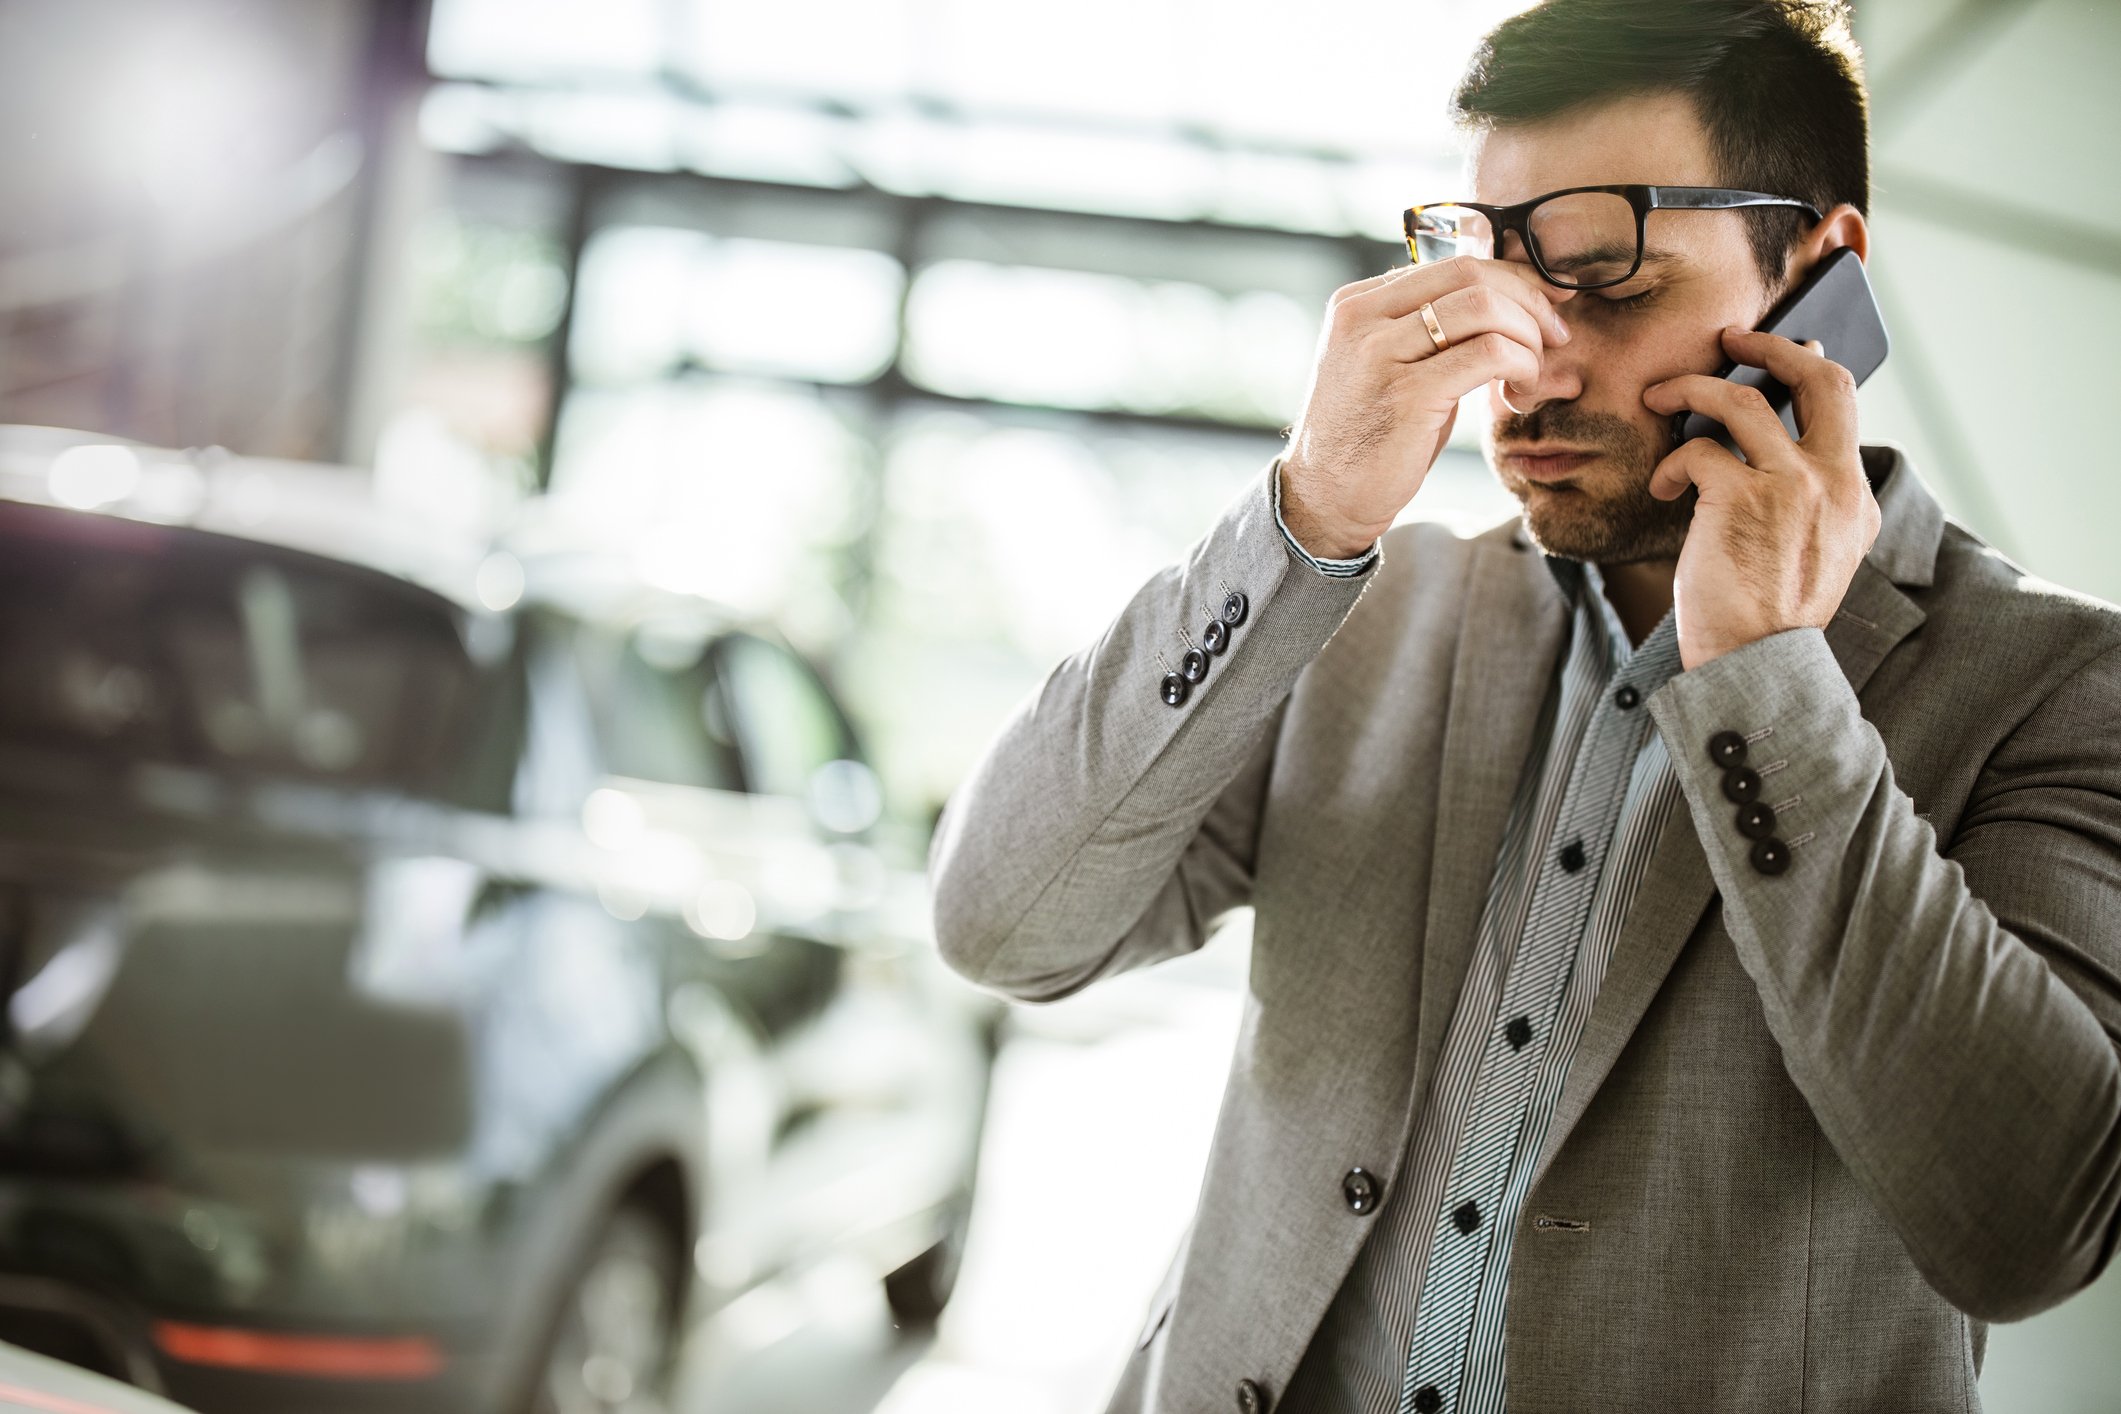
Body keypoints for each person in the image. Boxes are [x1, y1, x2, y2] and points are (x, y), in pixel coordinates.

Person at [925, 1, 2121, 1410]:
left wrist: (1765, 682)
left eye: (1610, 283)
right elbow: (1003, 920)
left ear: (1819, 271)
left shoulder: (2057, 686)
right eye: (1486, 278)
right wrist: (1303, 513)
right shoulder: (1354, 611)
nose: (1530, 367)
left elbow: (2026, 1220)